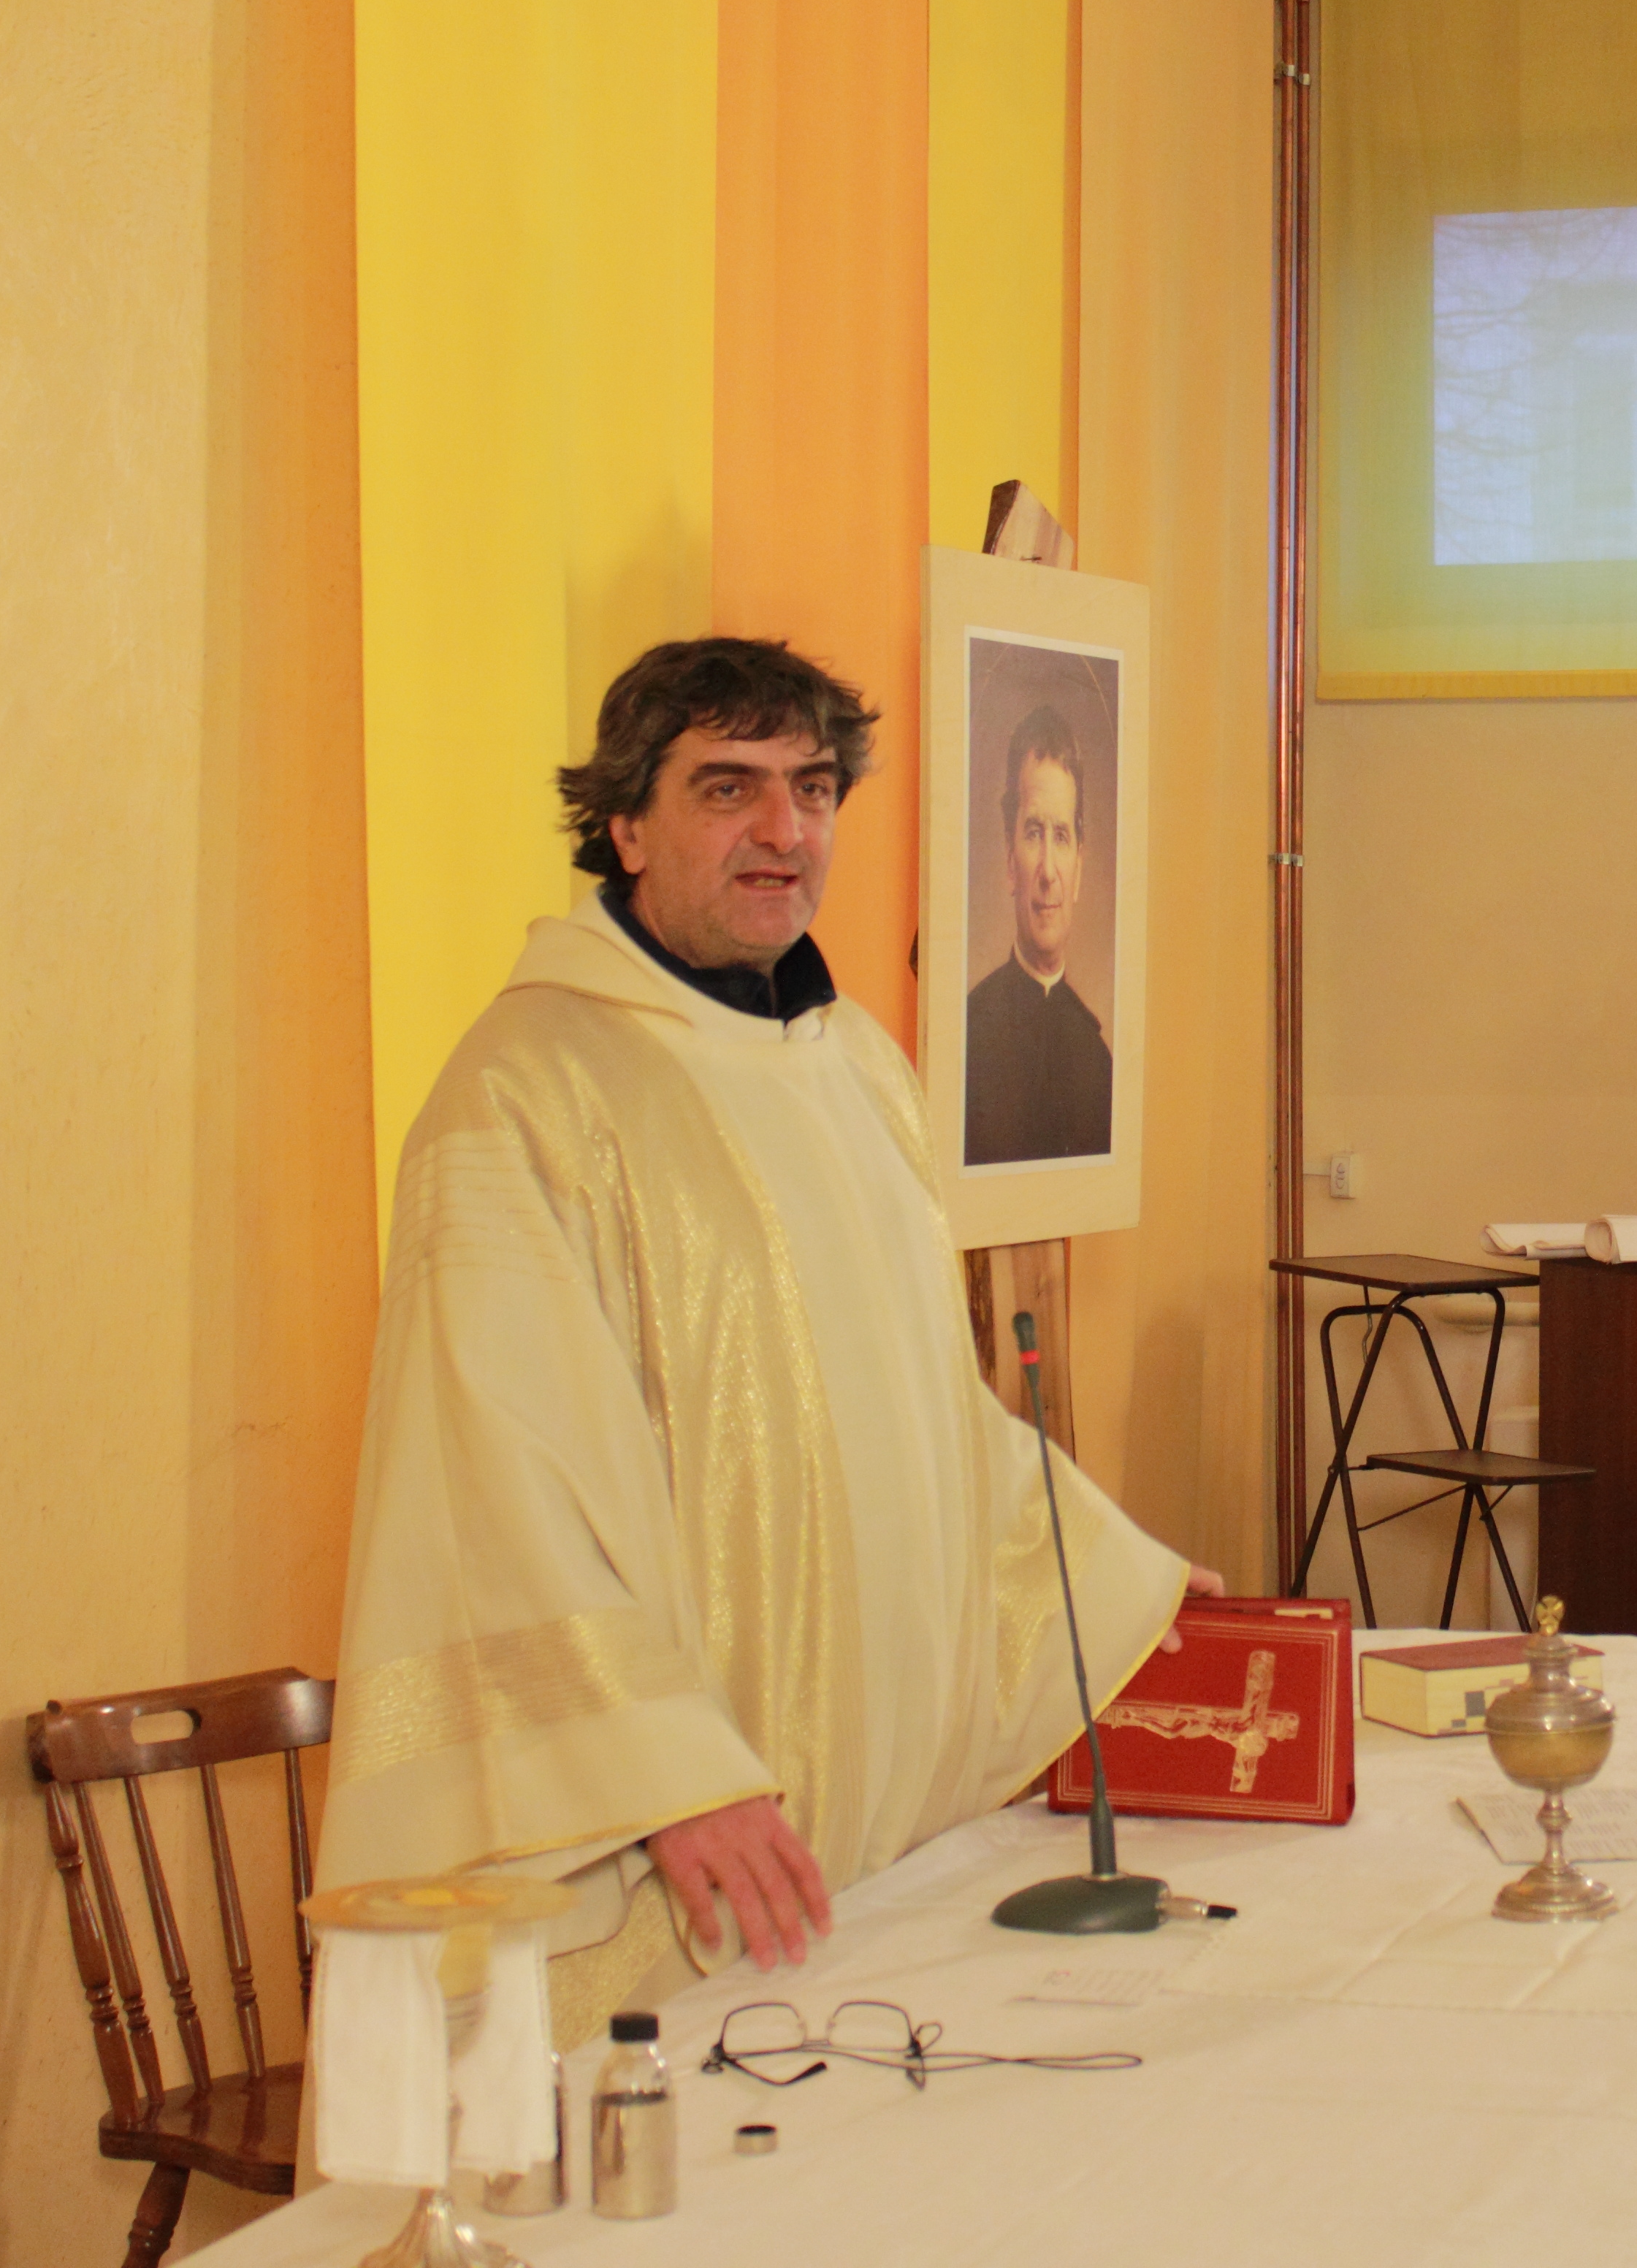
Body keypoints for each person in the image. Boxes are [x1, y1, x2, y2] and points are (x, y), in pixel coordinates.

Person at [318, 638, 1213, 2048]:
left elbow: (936, 1414)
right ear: (625, 823)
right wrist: (665, 1773)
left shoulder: (860, 1067)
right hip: (684, 1859)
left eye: (812, 788)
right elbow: (484, 1491)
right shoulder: (522, 1096)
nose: (783, 831)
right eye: (726, 788)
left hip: (886, 1845)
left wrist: (1112, 1579)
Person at [961, 703, 1115, 1164]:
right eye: (1033, 833)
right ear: (1010, 860)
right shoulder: (966, 1036)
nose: (1048, 871)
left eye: (1061, 836)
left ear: (1079, 868)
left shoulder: (1099, 1060)